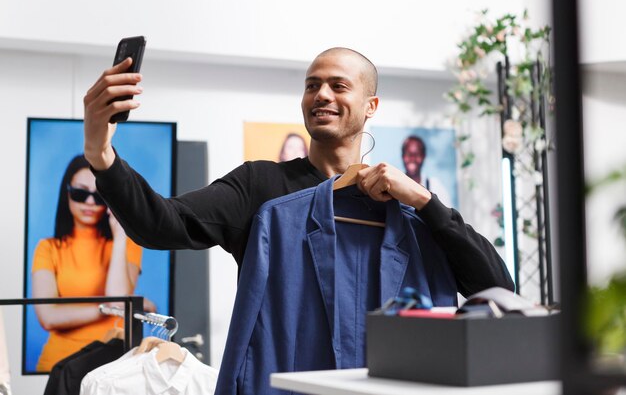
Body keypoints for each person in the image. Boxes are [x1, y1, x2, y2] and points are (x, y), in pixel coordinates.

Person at [82, 47, 514, 389]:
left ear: (371, 105)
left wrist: (425, 202)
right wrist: (101, 155)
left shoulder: (406, 207)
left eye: (338, 85)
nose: (321, 95)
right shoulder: (261, 188)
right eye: (312, 86)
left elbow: (496, 288)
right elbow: (161, 224)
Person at [31, 155, 147, 372]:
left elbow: (119, 300)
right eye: (80, 193)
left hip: (113, 366)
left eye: (100, 196)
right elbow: (48, 317)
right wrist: (106, 308)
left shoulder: (127, 243)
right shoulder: (48, 248)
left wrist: (120, 235)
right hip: (58, 364)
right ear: (67, 193)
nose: (90, 203)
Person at [401, 135, 453, 206]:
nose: (412, 159)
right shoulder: (392, 188)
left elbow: (448, 216)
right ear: (403, 156)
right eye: (409, 154)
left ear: (423, 157)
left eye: (416, 154)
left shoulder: (436, 187)